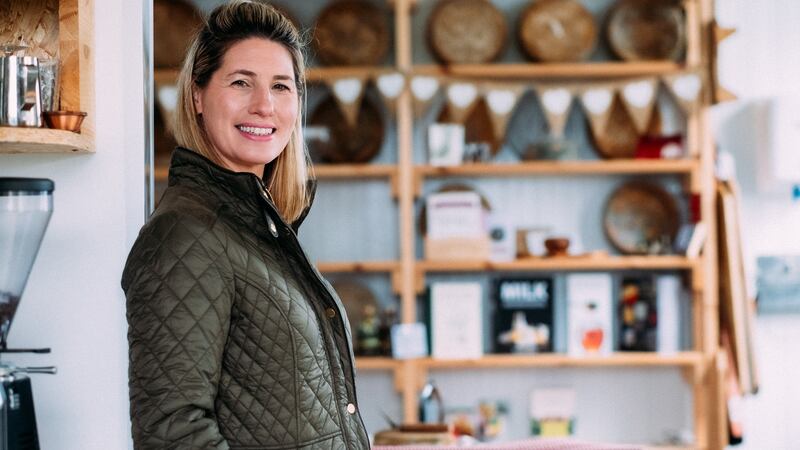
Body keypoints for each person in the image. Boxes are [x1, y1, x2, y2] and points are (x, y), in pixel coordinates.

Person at [121, 1, 370, 448]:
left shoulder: (258, 229)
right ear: (197, 96)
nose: (264, 106)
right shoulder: (183, 235)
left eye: (281, 86)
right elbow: (173, 433)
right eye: (241, 83)